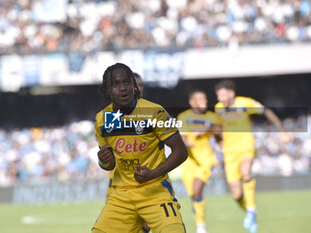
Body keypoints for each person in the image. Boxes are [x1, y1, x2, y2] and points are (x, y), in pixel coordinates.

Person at [92, 63, 188, 233]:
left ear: (133, 85)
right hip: (121, 195)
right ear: (107, 90)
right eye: (116, 84)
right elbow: (109, 164)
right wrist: (103, 161)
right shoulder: (103, 119)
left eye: (127, 82)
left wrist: (153, 173)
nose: (123, 88)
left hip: (154, 192)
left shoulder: (153, 112)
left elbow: (181, 151)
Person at [214, 80, 290, 233]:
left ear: (231, 93)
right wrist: (219, 140)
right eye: (218, 95)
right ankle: (251, 213)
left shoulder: (244, 103)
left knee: (245, 172)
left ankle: (251, 209)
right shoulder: (218, 108)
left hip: (246, 147)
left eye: (223, 94)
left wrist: (282, 131)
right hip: (229, 153)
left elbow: (266, 111)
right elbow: (218, 128)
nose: (220, 98)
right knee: (236, 195)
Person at [105, 72, 151, 233]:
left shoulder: (153, 112)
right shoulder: (113, 115)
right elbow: (108, 149)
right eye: (134, 85)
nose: (137, 88)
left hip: (147, 180)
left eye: (140, 85)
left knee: (145, 225)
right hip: (120, 183)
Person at [177, 90, 221, 233]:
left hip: (206, 160)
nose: (205, 102)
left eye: (205, 99)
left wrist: (210, 129)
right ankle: (198, 208)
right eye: (200, 99)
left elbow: (219, 136)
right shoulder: (183, 117)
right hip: (189, 162)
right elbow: (182, 139)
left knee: (196, 192)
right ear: (192, 102)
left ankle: (201, 227)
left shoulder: (212, 117)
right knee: (193, 195)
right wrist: (189, 141)